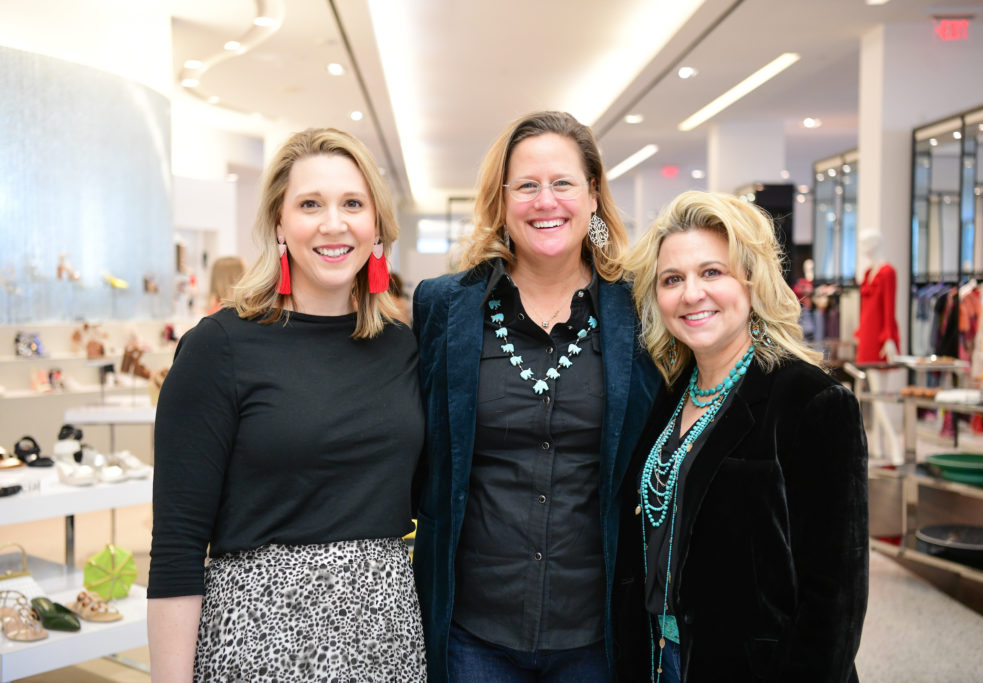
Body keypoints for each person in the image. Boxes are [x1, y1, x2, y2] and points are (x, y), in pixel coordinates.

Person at [147, 128, 426, 682]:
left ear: (376, 224)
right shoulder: (219, 347)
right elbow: (177, 545)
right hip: (256, 640)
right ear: (279, 222)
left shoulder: (403, 347)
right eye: (309, 204)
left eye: (352, 203)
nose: (333, 223)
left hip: (385, 638)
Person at [413, 111, 661, 682]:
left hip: (596, 630)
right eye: (527, 185)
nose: (545, 200)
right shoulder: (442, 306)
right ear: (501, 201)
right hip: (473, 629)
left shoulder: (640, 313)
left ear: (593, 195)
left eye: (563, 183)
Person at [616, 191, 869, 682]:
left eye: (712, 272)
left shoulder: (811, 401)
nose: (692, 294)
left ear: (751, 281)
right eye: (673, 279)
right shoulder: (668, 394)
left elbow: (834, 599)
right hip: (661, 658)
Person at [855, 228, 899, 363]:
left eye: (864, 243)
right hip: (866, 332)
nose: (860, 247)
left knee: (878, 377)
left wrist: (889, 338)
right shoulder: (868, 272)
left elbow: (889, 307)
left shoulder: (887, 272)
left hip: (879, 334)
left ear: (874, 243)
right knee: (866, 376)